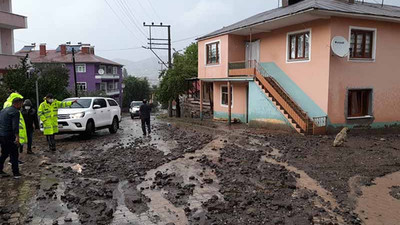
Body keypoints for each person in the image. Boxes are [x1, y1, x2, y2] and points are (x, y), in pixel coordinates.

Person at [0, 98, 24, 179]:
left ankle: (0, 170)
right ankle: (16, 173)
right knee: (14, 154)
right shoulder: (15, 112)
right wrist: (17, 138)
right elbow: (15, 127)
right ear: (17, 104)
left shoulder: (3, 110)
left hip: (2, 135)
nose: (22, 106)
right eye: (21, 104)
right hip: (10, 136)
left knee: (4, 153)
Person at [3, 92, 27, 164]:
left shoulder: (8, 104)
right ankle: (13, 163)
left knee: (13, 149)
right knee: (11, 149)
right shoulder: (10, 106)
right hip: (12, 130)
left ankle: (14, 161)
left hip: (12, 129)